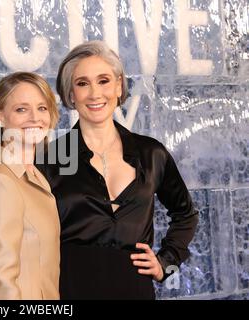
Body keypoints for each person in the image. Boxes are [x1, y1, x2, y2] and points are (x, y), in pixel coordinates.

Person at [36, 40, 199, 299]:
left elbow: (186, 215)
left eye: (103, 80)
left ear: (119, 85)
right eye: (82, 83)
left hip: (135, 291)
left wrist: (165, 263)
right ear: (70, 94)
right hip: (70, 291)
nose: (94, 93)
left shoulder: (151, 153)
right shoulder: (50, 157)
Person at [0, 72, 60, 299]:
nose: (35, 117)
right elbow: (0, 278)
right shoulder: (1, 181)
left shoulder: (35, 178)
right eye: (21, 109)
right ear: (0, 116)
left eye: (42, 108)